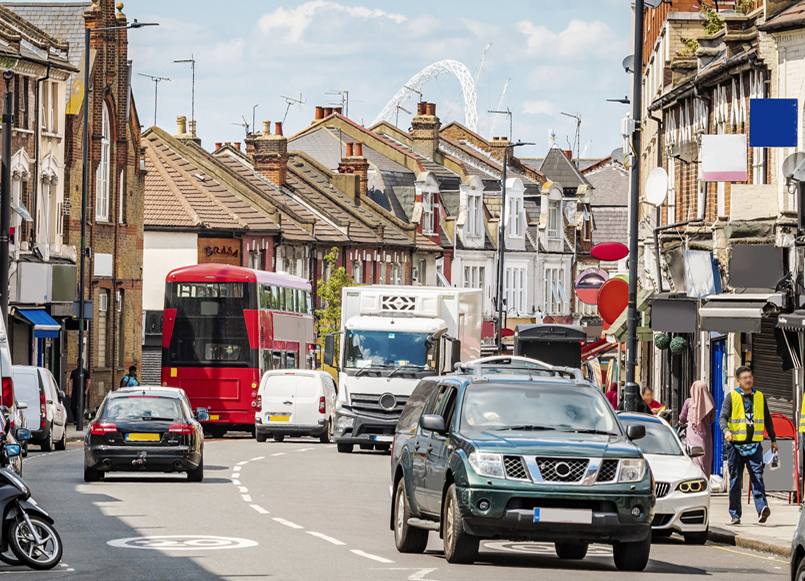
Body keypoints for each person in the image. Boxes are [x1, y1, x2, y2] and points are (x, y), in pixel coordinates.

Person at [719, 365, 777, 525]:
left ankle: (762, 509)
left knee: (757, 478)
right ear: (738, 381)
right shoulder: (731, 397)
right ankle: (735, 514)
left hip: (754, 446)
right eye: (745, 378)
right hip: (735, 446)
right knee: (736, 480)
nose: (748, 380)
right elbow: (722, 417)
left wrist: (773, 439)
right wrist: (726, 431)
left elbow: (767, 418)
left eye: (750, 377)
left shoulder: (760, 396)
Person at [679, 380, 716, 478]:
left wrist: (681, 423)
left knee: (694, 455)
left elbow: (682, 418)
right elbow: (713, 418)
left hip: (692, 433)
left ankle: (695, 477)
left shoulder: (688, 402)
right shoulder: (710, 402)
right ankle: (705, 478)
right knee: (705, 457)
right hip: (706, 433)